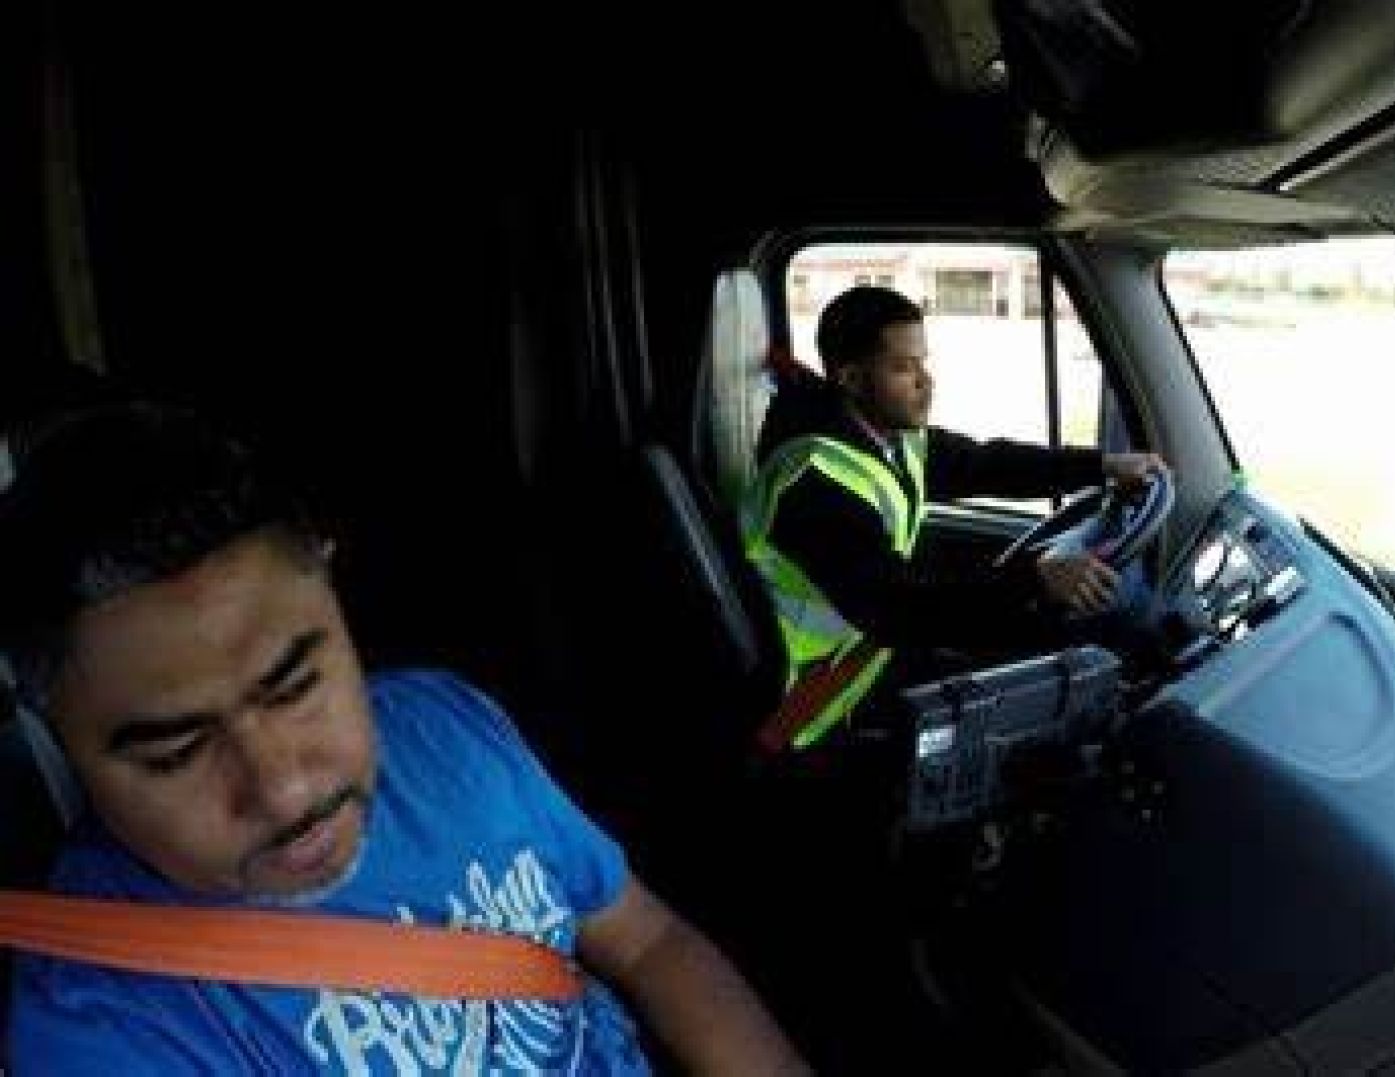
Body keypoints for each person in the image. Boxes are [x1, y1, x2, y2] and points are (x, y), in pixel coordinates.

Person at [0, 403, 808, 1074]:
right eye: (175, 751)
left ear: (330, 584)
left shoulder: (442, 725)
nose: (284, 788)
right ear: (56, 731)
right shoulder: (98, 1025)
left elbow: (647, 939)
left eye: (296, 686)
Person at [742, 284, 1164, 753]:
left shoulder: (889, 437)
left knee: (1041, 652)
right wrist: (1034, 579)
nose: (926, 381)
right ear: (852, 379)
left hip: (870, 652)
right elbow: (898, 610)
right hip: (830, 695)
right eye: (904, 368)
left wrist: (1100, 466)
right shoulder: (814, 481)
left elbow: (985, 463)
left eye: (924, 362)